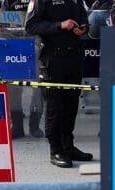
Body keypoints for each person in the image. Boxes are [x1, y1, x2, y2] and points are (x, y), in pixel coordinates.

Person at [26, 0, 93, 168]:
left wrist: (83, 27)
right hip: (52, 58)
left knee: (71, 104)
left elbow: (84, 17)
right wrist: (60, 25)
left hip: (74, 56)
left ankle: (68, 146)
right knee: (55, 106)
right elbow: (31, 26)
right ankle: (55, 150)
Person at [3, 0, 46, 138]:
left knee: (37, 88)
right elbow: (2, 23)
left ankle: (34, 126)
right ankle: (17, 127)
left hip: (36, 44)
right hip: (14, 45)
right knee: (14, 89)